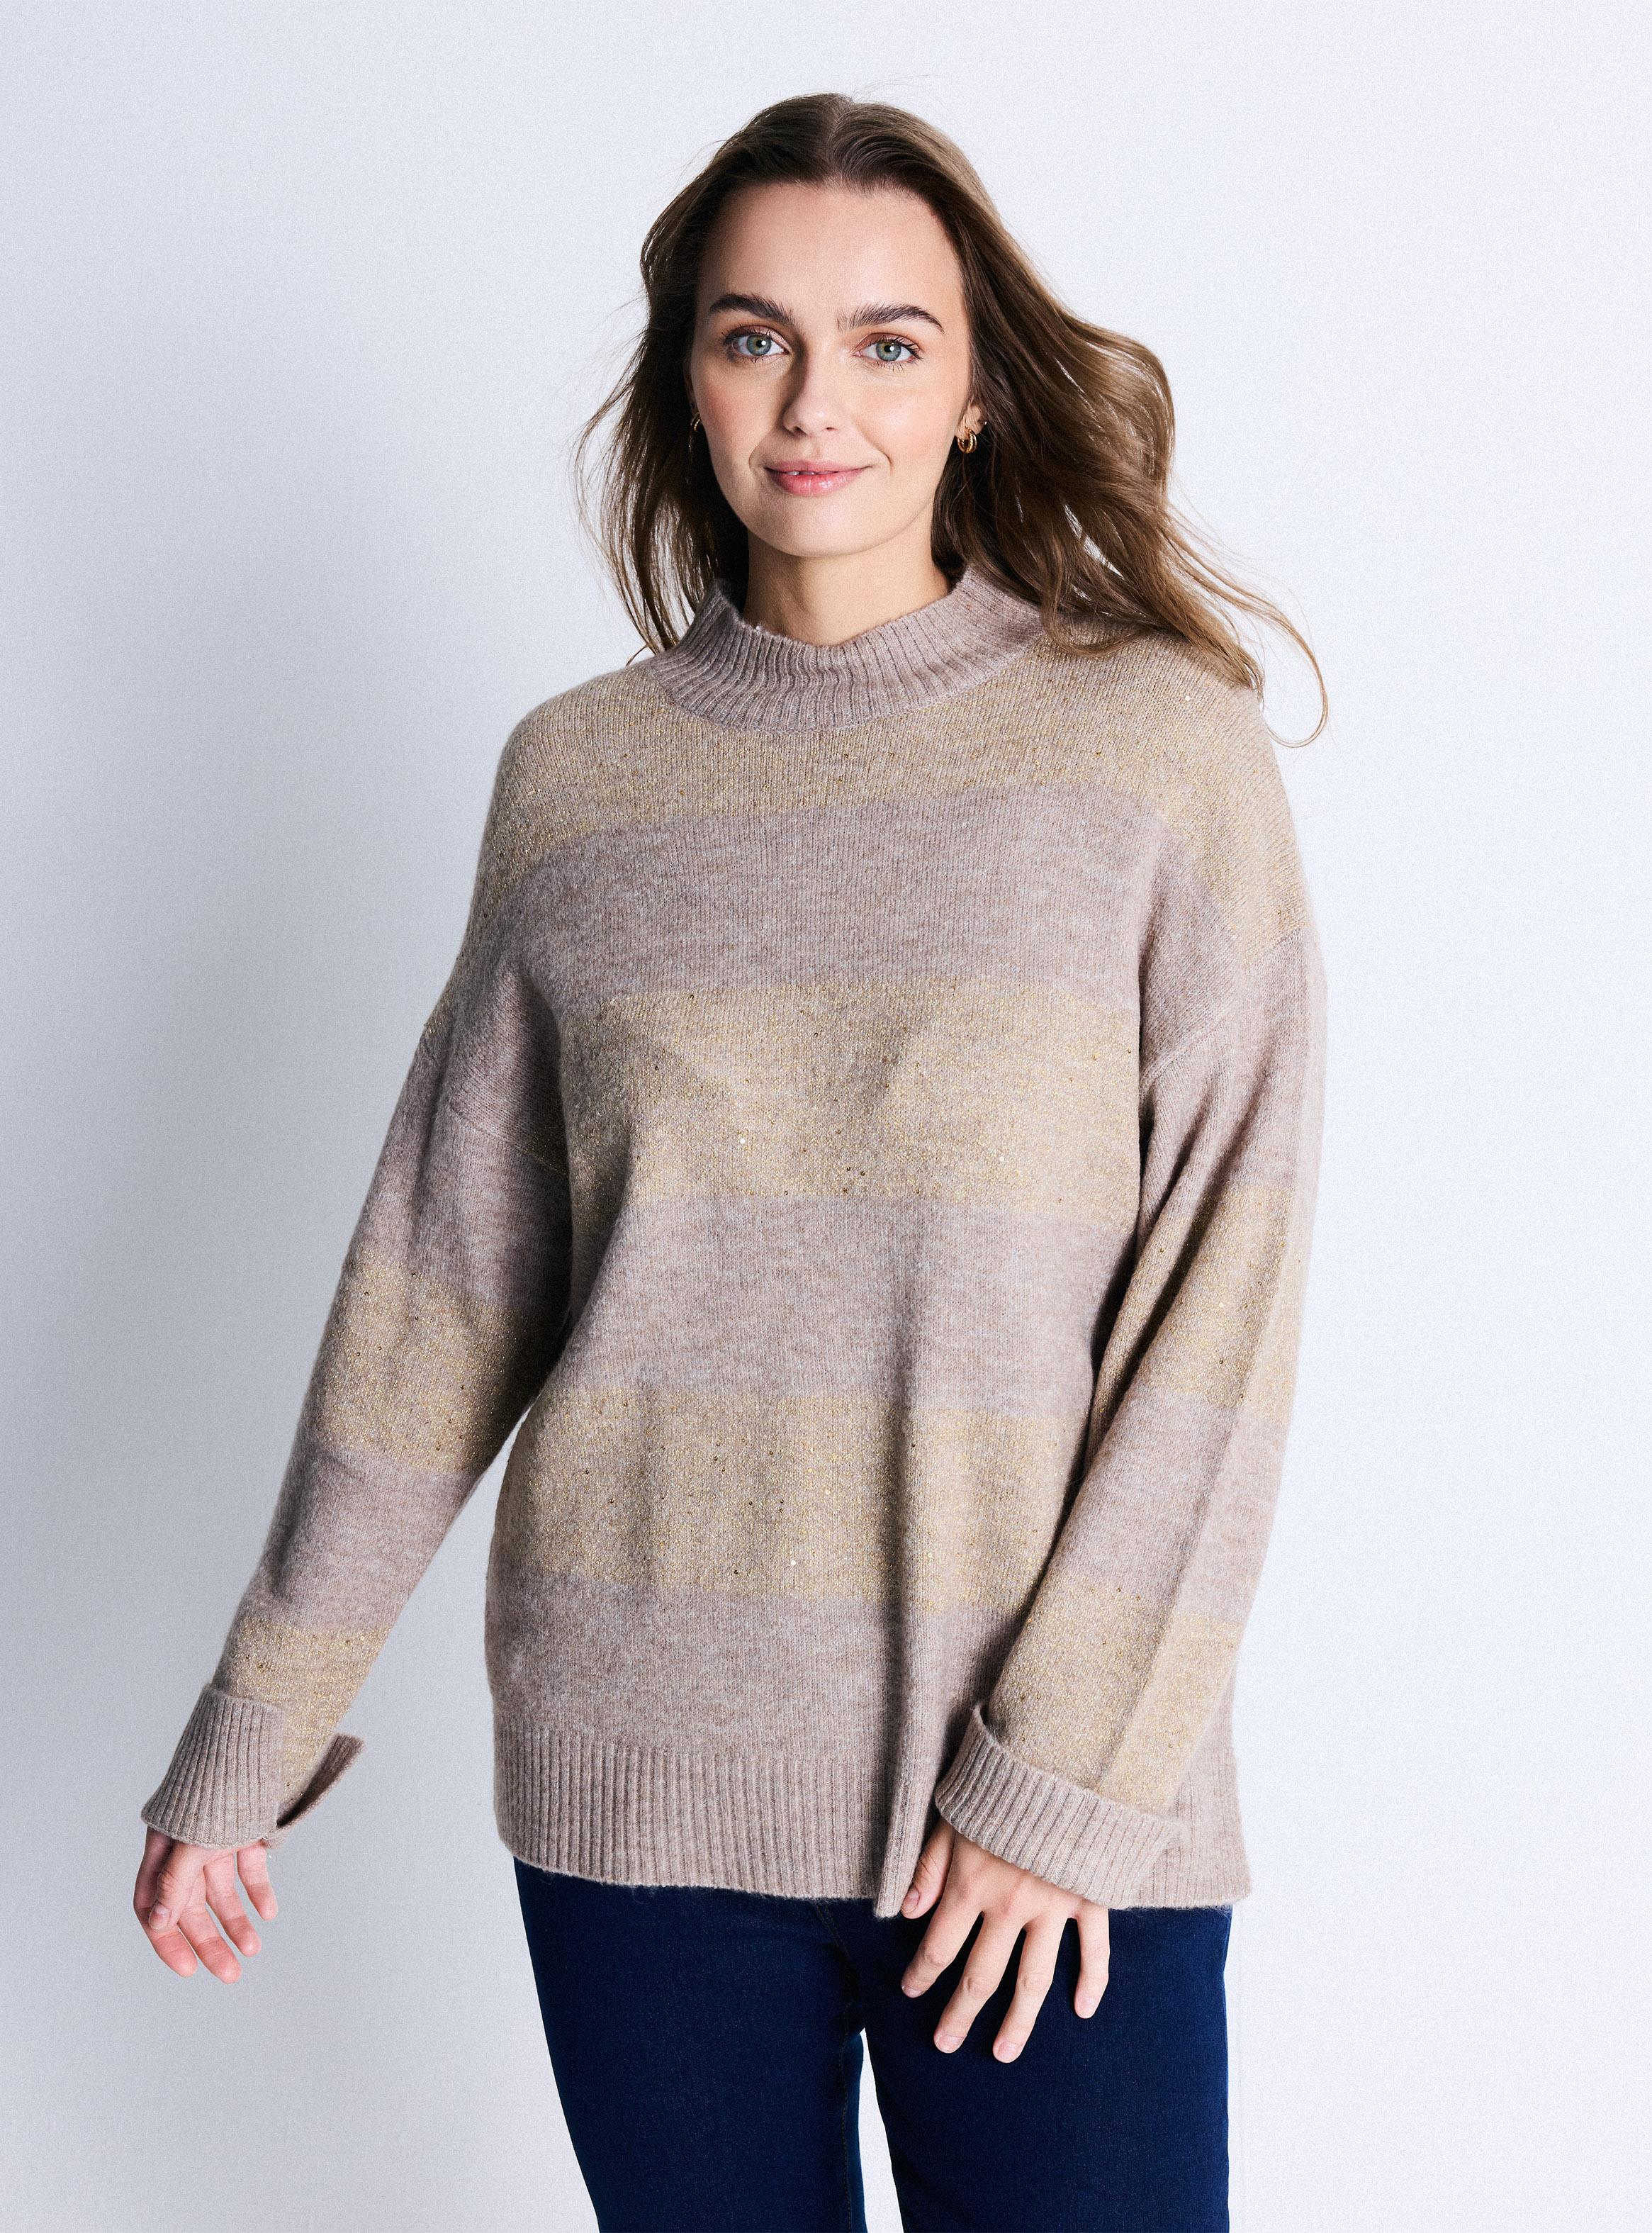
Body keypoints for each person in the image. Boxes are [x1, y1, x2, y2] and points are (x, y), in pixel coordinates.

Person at [133, 91, 1328, 2233]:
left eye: (887, 342)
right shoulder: (579, 786)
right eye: (752, 335)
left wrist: (1057, 1780)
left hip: (1051, 1824)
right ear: (688, 377)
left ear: (976, 390)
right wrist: (254, 1728)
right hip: (645, 1802)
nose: (813, 401)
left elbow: (1216, 1313)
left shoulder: (1156, 756)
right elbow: (437, 1296)